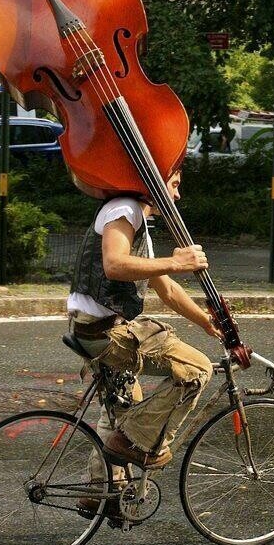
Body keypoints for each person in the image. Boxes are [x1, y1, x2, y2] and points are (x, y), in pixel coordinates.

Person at [66, 170, 221, 512]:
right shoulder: (125, 209)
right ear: (153, 179)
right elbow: (114, 264)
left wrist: (207, 323)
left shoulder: (136, 222)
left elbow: (166, 289)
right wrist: (178, 261)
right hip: (107, 332)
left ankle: (99, 491)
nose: (177, 196)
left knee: (123, 407)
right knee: (196, 368)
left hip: (92, 329)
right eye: (175, 184)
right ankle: (134, 443)